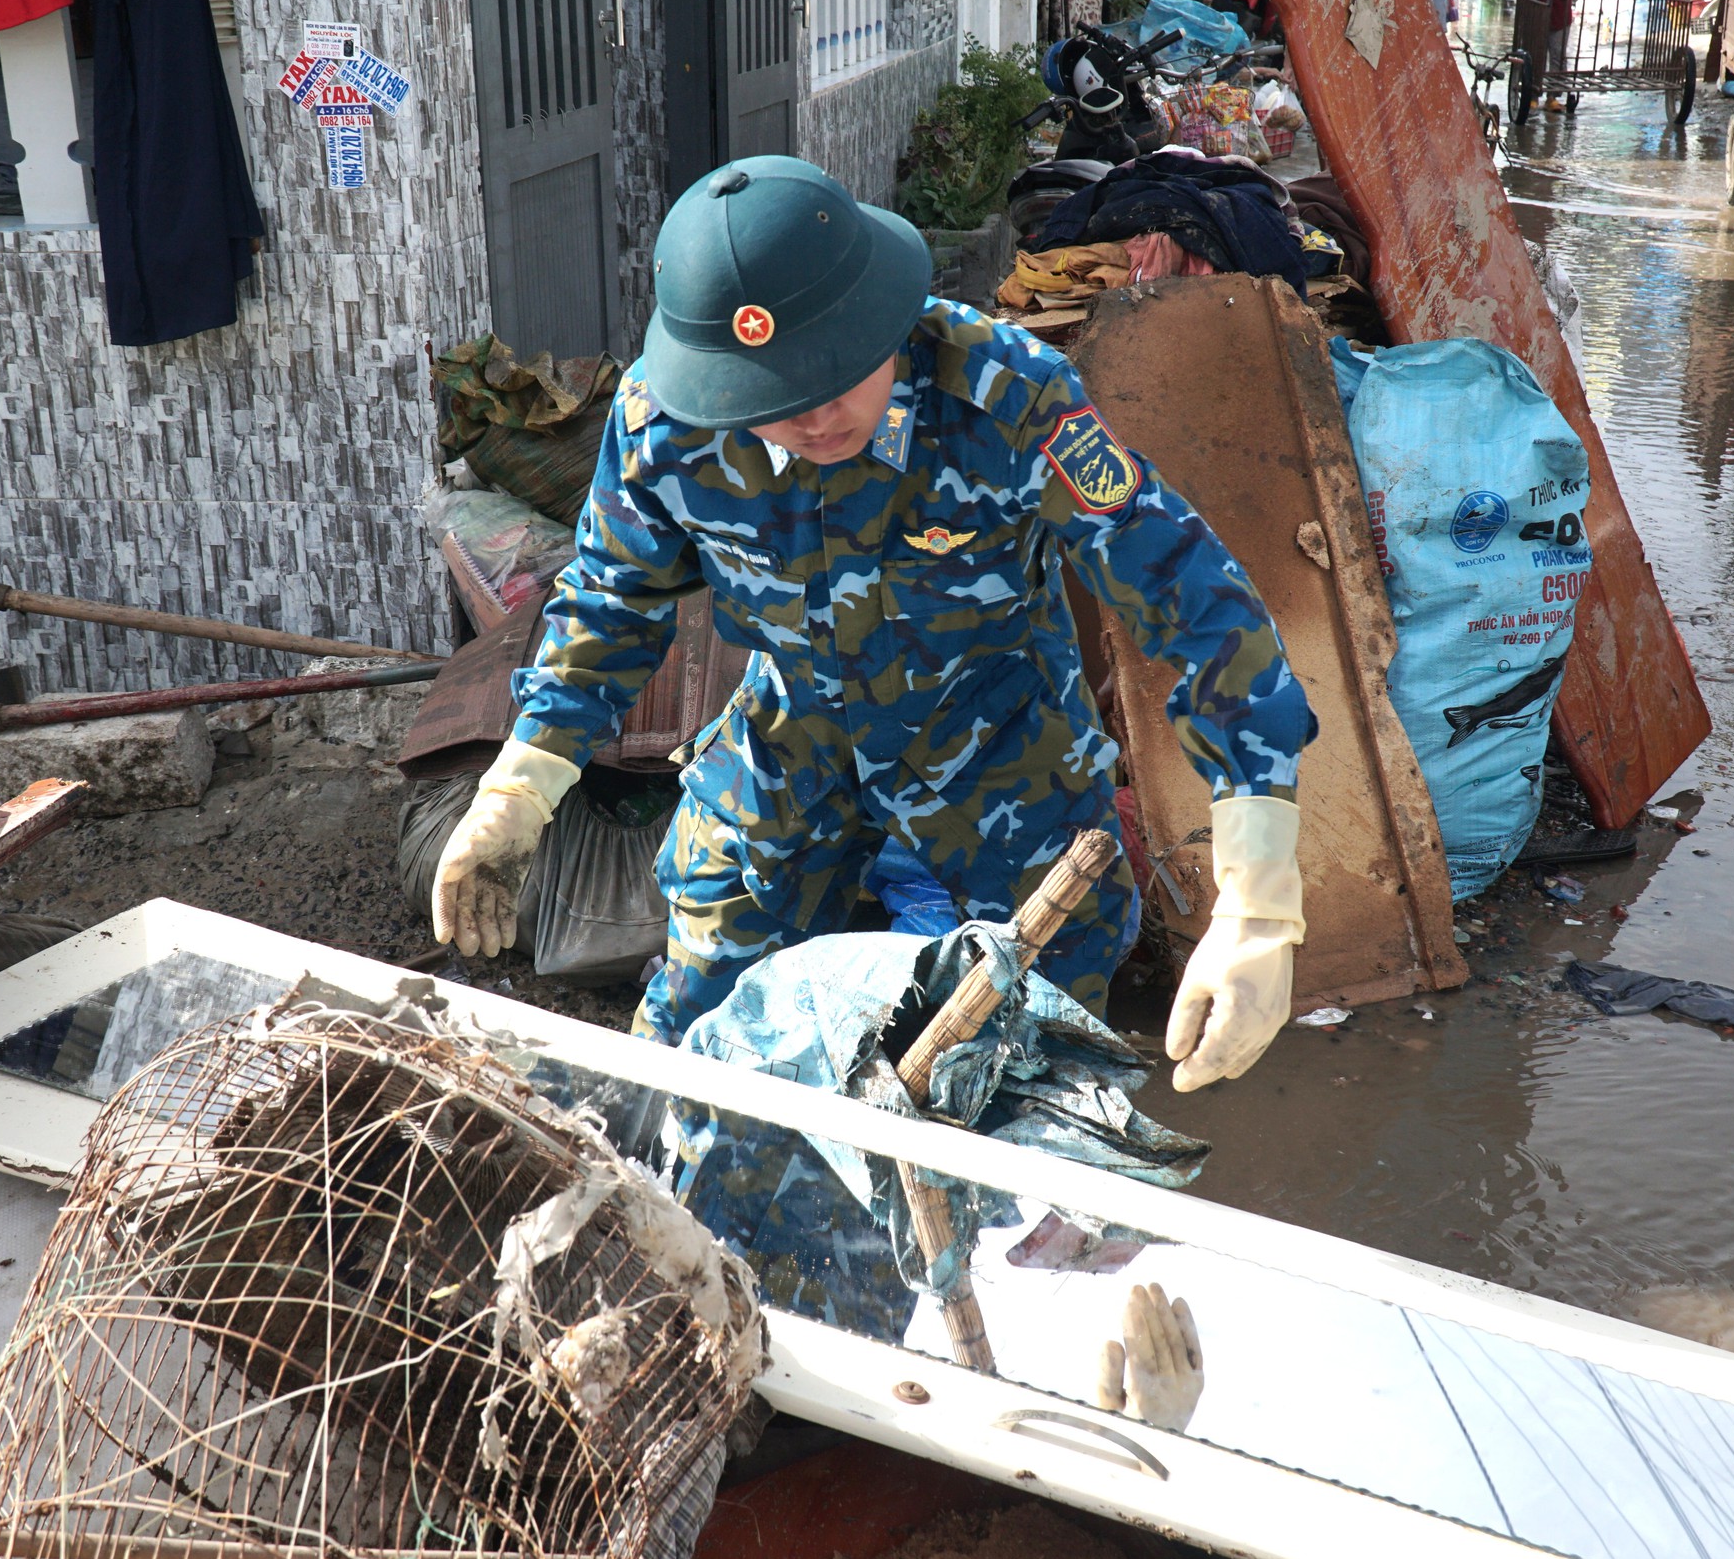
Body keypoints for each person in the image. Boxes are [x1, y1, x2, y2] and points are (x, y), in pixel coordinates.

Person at [431, 157, 1320, 1094]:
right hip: (793, 738)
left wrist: (1258, 899)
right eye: (774, 400)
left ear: (883, 317)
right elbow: (612, 602)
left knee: (1028, 1064)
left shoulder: (1005, 396)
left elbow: (1191, 600)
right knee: (702, 1043)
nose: (815, 418)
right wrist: (520, 788)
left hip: (1001, 748)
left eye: (835, 375)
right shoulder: (668, 426)